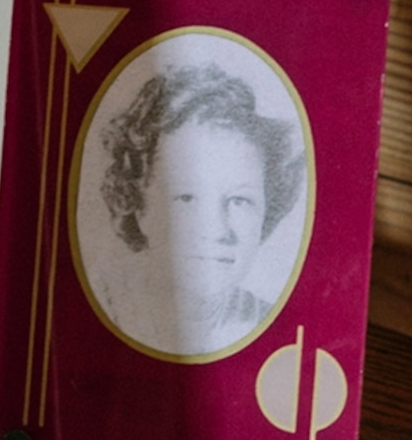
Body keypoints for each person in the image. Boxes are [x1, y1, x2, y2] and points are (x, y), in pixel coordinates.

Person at [95, 59, 306, 356]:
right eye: (187, 198)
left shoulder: (279, 334)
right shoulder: (102, 309)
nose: (218, 231)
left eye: (239, 201)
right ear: (137, 202)